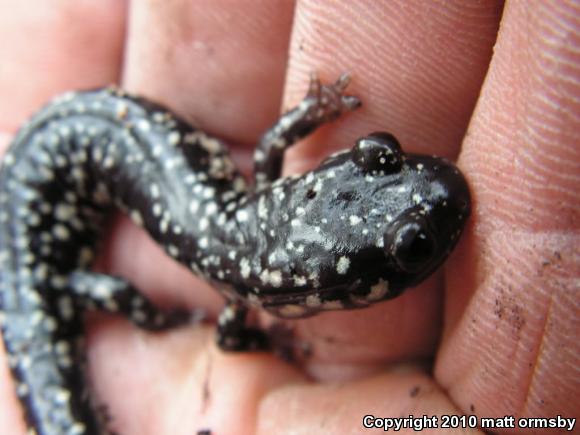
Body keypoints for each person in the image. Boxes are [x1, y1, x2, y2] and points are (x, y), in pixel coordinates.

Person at [0, 2, 577, 434]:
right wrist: (158, 319)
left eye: (383, 156)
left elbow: (272, 152)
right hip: (47, 240)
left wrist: (314, 111)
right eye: (414, 245)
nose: (421, 173)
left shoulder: (244, 282)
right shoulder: (243, 286)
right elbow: (232, 324)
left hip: (52, 192)